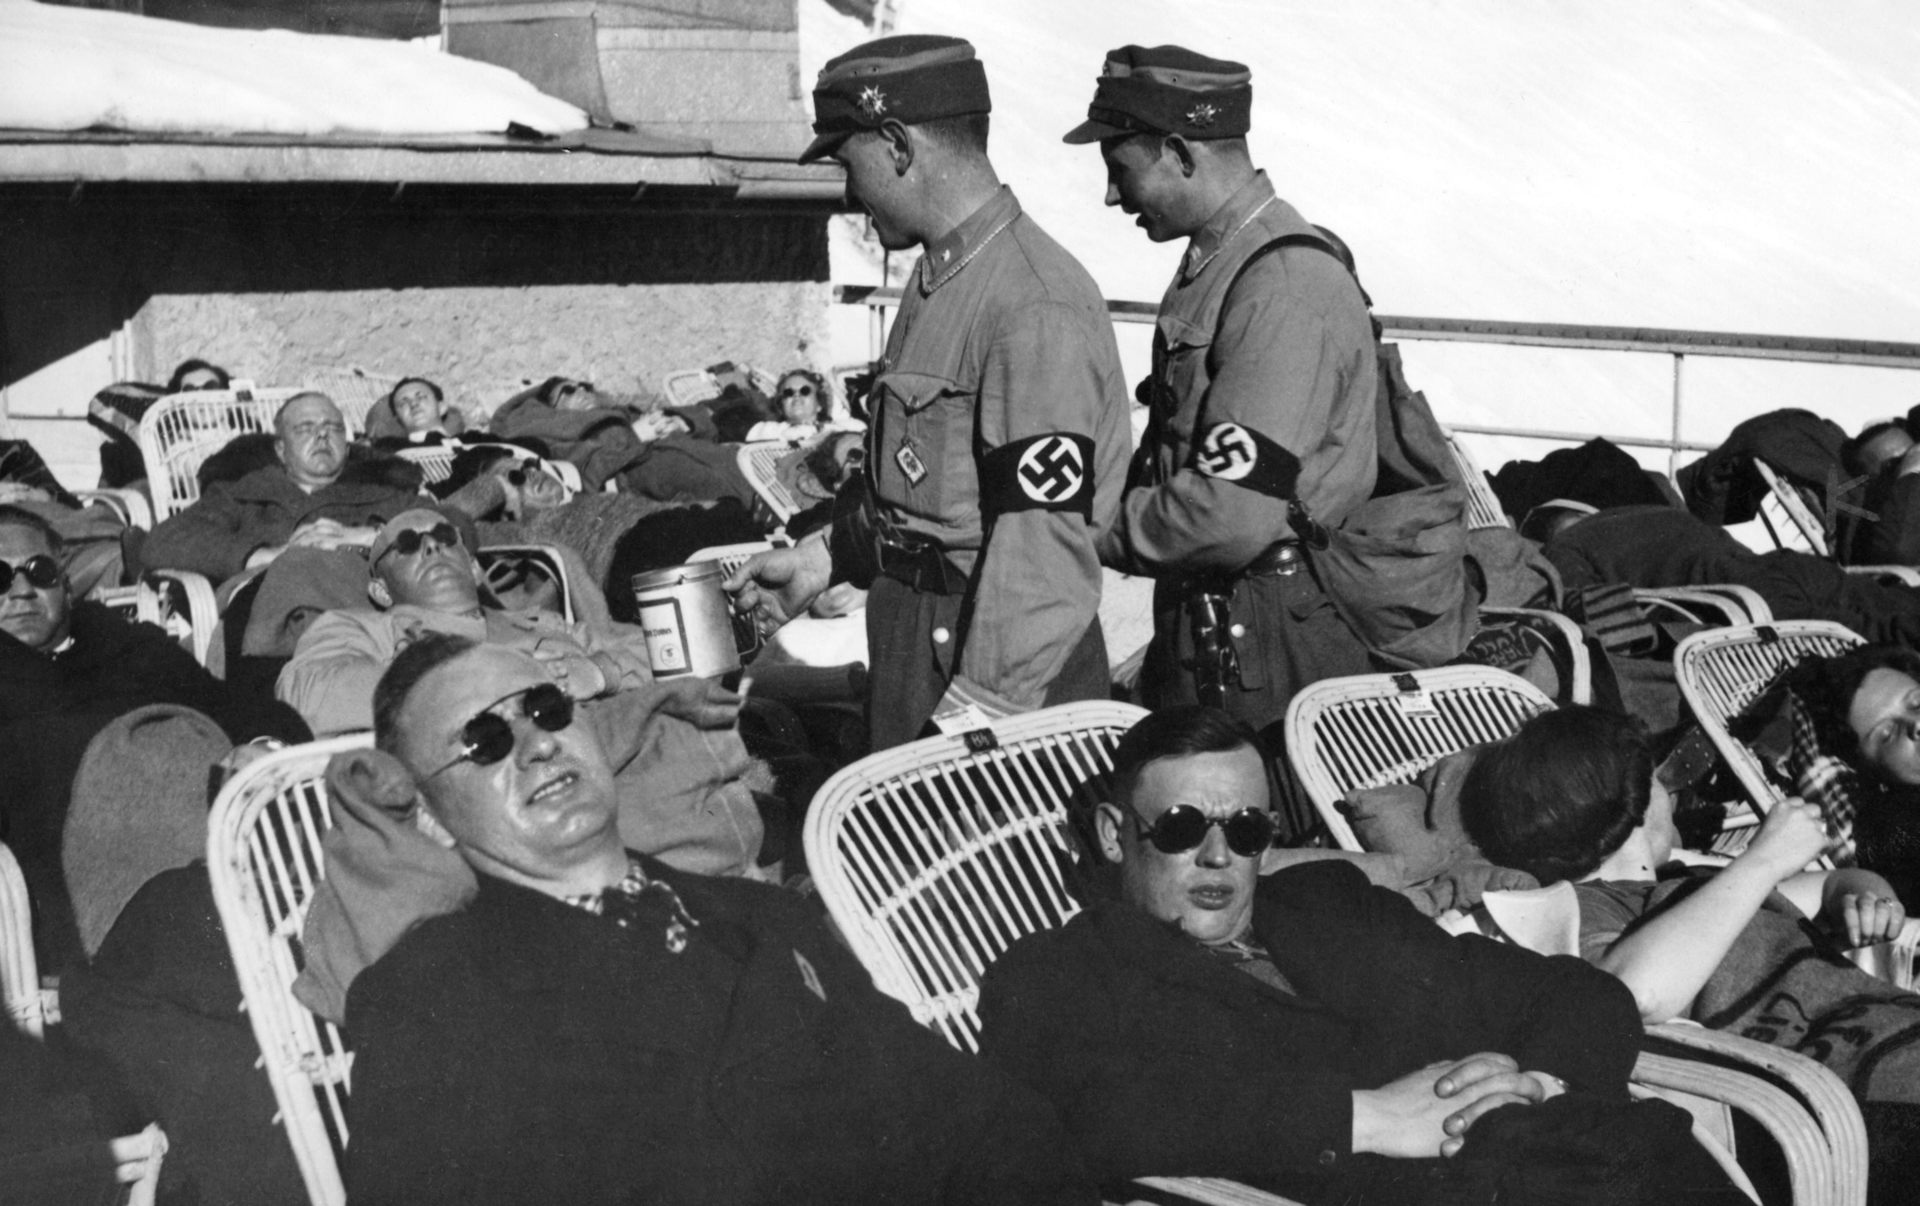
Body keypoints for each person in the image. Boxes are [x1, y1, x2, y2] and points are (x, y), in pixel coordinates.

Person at [343, 635, 1095, 1206]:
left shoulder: (764, 915)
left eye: (545, 709)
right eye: (484, 740)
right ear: (433, 820)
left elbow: (962, 1109)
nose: (537, 744)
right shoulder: (432, 995)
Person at [975, 706, 1735, 1205]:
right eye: (1179, 827)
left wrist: (1537, 1080)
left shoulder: (1332, 905)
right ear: (1114, 835)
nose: (1217, 856)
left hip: (1539, 1163)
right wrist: (1362, 1119)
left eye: (1245, 830)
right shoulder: (1057, 972)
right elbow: (1092, 1112)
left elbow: (1576, 996)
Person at [727, 34, 1129, 750]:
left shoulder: (1030, 303)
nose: (850, 193)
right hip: (922, 643)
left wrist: (978, 720)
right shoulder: (940, 278)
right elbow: (921, 500)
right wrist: (823, 559)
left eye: (851, 164)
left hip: (997, 675)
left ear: (897, 145)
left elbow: (1044, 553)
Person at [1060, 45, 1378, 838]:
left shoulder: (1281, 285)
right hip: (1225, 620)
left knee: (1269, 864)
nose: (1110, 194)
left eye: (1119, 164)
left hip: (1271, 636)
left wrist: (1097, 529)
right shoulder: (1224, 261)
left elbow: (1230, 514)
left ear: (1179, 151)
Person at [1460, 706, 1920, 1205]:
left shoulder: (1698, 880)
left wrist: (1867, 896)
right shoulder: (1587, 907)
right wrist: (1761, 860)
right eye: (1656, 781)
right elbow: (1631, 993)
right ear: (1631, 803)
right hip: (1861, 1100)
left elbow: (1832, 881)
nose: (1671, 793)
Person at [278, 506, 764, 877]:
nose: (431, 547)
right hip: (522, 798)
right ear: (382, 591)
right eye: (406, 544)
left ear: (472, 570)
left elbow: (662, 647)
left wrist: (600, 673)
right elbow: (312, 691)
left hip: (650, 767)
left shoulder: (539, 622)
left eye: (445, 538)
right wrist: (506, 676)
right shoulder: (360, 628)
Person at [0, 505, 309, 967]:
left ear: (65, 585)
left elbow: (231, 705)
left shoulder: (132, 647)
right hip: (101, 893)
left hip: (226, 832)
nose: (21, 590)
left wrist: (264, 744)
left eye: (38, 571)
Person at [139, 391, 424, 582]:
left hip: (365, 605)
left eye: (334, 428)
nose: (322, 435)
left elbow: (451, 523)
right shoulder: (244, 493)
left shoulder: (380, 491)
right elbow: (163, 542)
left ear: (348, 448)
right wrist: (266, 555)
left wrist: (371, 536)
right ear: (280, 449)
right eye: (305, 428)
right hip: (270, 610)